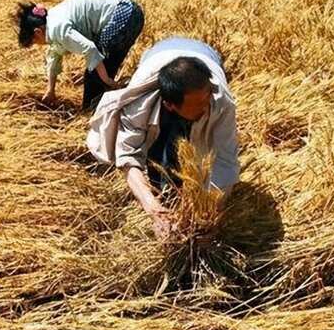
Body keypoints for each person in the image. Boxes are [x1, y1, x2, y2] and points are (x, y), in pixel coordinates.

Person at [86, 37, 239, 240]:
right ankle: (164, 189)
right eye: (199, 104)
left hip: (204, 56)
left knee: (197, 144)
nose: (207, 106)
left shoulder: (219, 100)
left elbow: (224, 161)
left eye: (207, 97)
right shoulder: (138, 104)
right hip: (156, 55)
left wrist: (209, 211)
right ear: (169, 105)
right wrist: (155, 210)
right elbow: (128, 157)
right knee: (160, 146)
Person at [12, 0, 145, 110]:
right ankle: (105, 107)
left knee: (95, 75)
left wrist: (106, 80)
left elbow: (90, 49)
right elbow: (54, 55)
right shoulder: (52, 20)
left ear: (38, 32)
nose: (39, 45)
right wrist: (50, 90)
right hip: (129, 13)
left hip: (124, 15)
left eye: (35, 42)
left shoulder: (57, 29)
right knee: (101, 69)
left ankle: (91, 115)